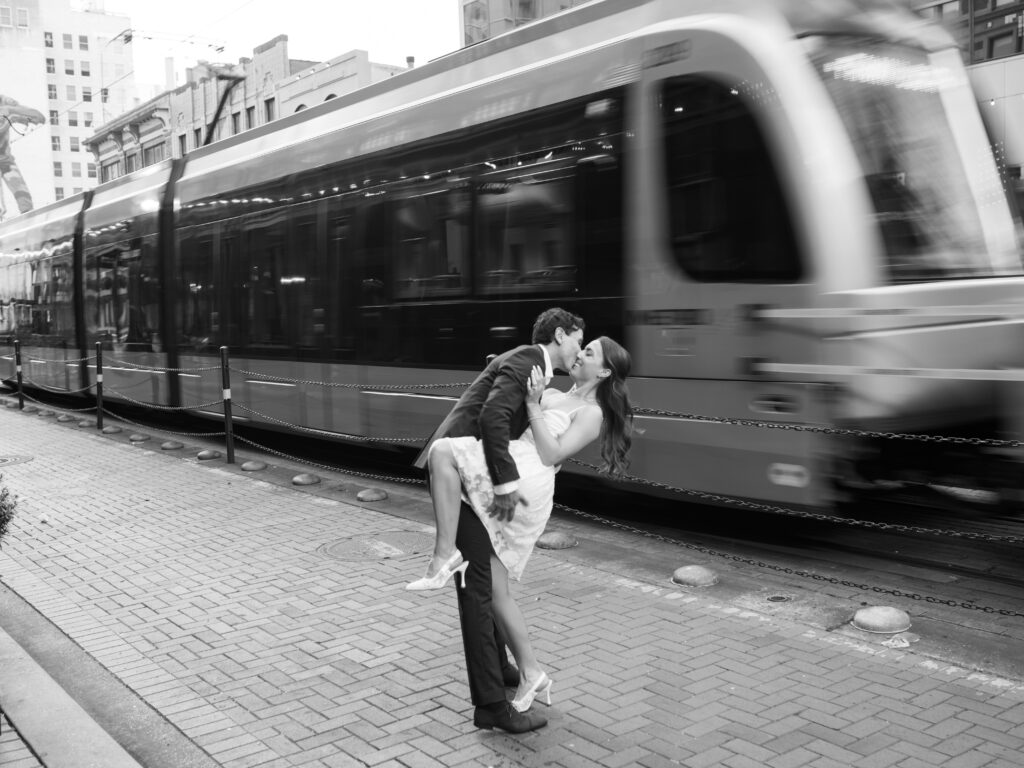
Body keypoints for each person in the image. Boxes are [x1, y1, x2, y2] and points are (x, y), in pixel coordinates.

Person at [408, 307, 585, 734]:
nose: (579, 348)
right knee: (478, 592)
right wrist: (505, 486)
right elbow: (491, 417)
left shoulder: (534, 368)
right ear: (561, 335)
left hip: (475, 479)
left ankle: (503, 670)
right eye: (580, 339)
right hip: (470, 481)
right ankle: (490, 705)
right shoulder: (529, 360)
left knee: (484, 586)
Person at [0, 95, 44, 218]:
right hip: (5, 161)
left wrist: (11, 111)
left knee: (25, 200)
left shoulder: (4, 101)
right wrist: (11, 119)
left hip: (6, 162)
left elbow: (38, 116)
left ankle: (27, 222)